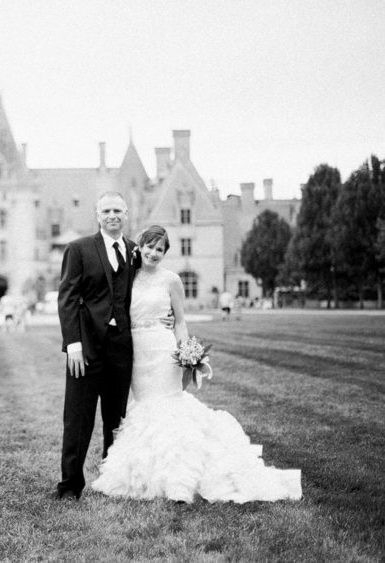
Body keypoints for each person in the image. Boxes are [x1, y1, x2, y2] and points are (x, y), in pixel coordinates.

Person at [91, 225, 301, 503]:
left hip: (164, 351)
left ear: (165, 253)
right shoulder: (127, 278)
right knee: (145, 408)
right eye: (149, 246)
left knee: (169, 405)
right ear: (139, 247)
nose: (153, 253)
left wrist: (185, 351)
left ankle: (179, 480)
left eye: (160, 249)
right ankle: (148, 471)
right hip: (138, 354)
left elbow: (180, 320)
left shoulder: (172, 281)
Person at [55, 192, 142, 501]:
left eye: (118, 209)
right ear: (97, 215)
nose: (112, 215)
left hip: (121, 347)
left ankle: (112, 480)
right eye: (106, 210)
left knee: (116, 418)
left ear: (127, 214)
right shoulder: (79, 249)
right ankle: (70, 486)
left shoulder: (135, 252)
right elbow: (67, 298)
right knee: (77, 417)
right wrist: (73, 344)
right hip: (86, 347)